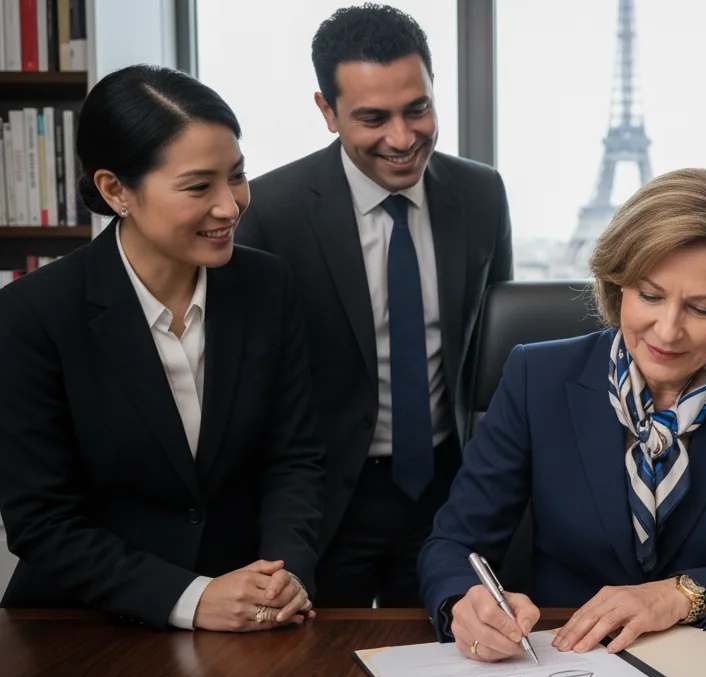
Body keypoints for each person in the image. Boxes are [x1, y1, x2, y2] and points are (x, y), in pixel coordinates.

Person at [418, 169, 706, 661]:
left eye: (701, 308)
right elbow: (452, 545)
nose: (668, 330)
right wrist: (463, 603)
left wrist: (678, 595)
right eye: (651, 296)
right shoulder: (538, 375)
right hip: (563, 660)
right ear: (619, 286)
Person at [0, 65, 323, 630]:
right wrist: (193, 598)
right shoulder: (34, 313)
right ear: (115, 189)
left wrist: (286, 573)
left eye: (238, 176)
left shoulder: (269, 286)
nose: (230, 206)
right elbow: (41, 520)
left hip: (250, 618)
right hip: (81, 629)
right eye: (199, 186)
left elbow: (294, 458)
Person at [234, 5, 513, 608]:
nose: (402, 137)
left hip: (451, 488)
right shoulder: (271, 211)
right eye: (372, 117)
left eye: (417, 108)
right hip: (327, 497)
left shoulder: (482, 193)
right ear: (327, 112)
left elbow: (495, 357)